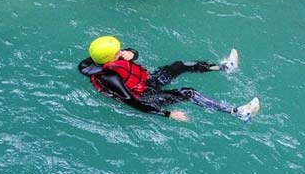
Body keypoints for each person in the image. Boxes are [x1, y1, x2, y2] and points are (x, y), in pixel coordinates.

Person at [78, 35, 259, 122]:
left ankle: (224, 67)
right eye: (117, 52)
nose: (120, 51)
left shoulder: (104, 58)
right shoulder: (110, 78)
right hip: (142, 97)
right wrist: (168, 114)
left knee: (178, 66)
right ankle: (237, 112)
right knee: (188, 92)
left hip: (144, 83)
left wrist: (130, 53)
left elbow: (134, 54)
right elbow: (132, 102)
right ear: (109, 59)